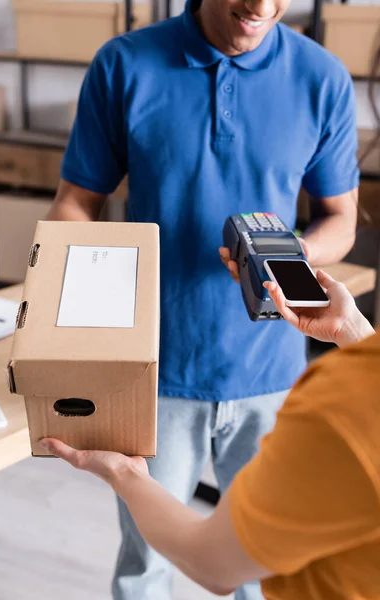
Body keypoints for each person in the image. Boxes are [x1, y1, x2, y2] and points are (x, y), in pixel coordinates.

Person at [47, 0, 359, 596]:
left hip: (273, 368)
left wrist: (288, 253)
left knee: (264, 571)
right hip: (155, 370)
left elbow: (340, 219)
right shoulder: (125, 64)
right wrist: (60, 305)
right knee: (146, 562)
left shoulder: (323, 78)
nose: (262, 7)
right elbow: (75, 200)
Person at [41, 270, 379, 600]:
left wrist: (125, 473)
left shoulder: (346, 407)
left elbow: (212, 564)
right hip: (170, 370)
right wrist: (354, 333)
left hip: (263, 371)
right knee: (147, 562)